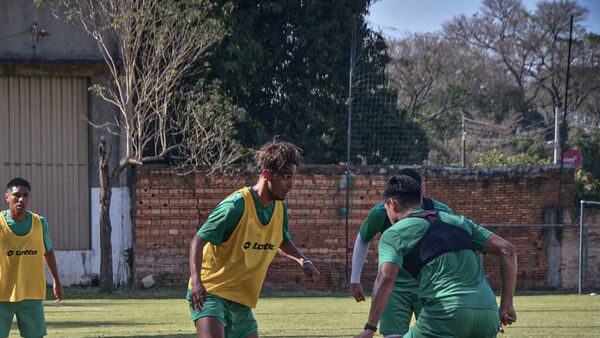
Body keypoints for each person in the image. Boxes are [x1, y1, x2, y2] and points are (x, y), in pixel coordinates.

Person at [355, 175, 517, 338]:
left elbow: (386, 277)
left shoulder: (394, 233)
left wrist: (370, 328)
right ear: (419, 198)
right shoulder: (460, 221)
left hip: (446, 314)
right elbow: (507, 250)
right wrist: (507, 305)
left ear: (391, 203)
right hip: (488, 313)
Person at [187, 140, 320, 338]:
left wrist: (303, 260)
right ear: (267, 175)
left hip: (241, 302)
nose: (290, 184)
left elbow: (281, 240)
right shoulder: (235, 206)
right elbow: (198, 240)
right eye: (285, 177)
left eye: (292, 177)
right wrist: (197, 282)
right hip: (211, 293)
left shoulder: (279, 209)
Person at [350, 168, 452, 337]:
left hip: (429, 286)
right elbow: (363, 238)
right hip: (395, 288)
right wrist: (354, 278)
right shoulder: (382, 211)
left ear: (419, 194)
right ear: (393, 200)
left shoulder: (440, 212)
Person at [0, 177, 63, 338]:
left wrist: (56, 280)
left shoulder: (39, 223)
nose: (21, 199)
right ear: (7, 197)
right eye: (17, 195)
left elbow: (47, 252)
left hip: (31, 294)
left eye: (26, 195)